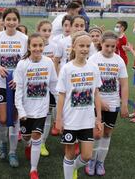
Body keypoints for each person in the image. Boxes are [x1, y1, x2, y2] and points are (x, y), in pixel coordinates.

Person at [55, 31, 102, 179]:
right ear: (73, 47)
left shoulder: (93, 68)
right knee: (69, 154)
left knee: (87, 156)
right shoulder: (67, 68)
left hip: (87, 120)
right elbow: (61, 95)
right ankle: (69, 175)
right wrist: (59, 118)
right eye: (81, 45)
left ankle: (71, 169)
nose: (85, 49)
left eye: (88, 46)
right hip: (70, 120)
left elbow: (96, 94)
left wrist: (98, 118)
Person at [0, 8, 28, 168]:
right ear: (3, 21)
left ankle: (12, 152)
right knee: (3, 119)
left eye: (14, 19)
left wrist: (19, 78)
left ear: (18, 21)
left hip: (18, 84)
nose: (11, 22)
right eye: (8, 19)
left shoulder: (24, 38)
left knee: (15, 118)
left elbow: (27, 62)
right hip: (2, 84)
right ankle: (3, 144)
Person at [14, 33, 58, 179]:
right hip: (26, 109)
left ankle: (33, 169)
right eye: (34, 45)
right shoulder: (22, 64)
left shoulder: (48, 62)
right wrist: (20, 110)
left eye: (40, 45)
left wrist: (60, 103)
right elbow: (19, 89)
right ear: (29, 46)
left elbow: (53, 85)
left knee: (36, 135)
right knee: (27, 137)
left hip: (41, 109)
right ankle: (27, 145)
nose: (38, 48)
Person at [86, 31, 129, 176]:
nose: (110, 49)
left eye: (113, 46)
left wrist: (123, 104)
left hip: (113, 103)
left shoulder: (119, 61)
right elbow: (89, 84)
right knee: (97, 133)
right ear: (101, 44)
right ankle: (91, 160)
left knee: (107, 133)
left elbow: (124, 84)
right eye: (107, 46)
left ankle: (100, 162)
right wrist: (98, 101)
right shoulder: (93, 59)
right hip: (95, 103)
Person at [36, 20, 58, 156]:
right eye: (44, 30)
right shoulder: (33, 45)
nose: (47, 33)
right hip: (35, 86)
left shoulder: (55, 46)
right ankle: (32, 140)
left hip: (49, 86)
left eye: (49, 30)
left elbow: (57, 65)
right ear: (38, 30)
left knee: (47, 114)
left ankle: (42, 142)